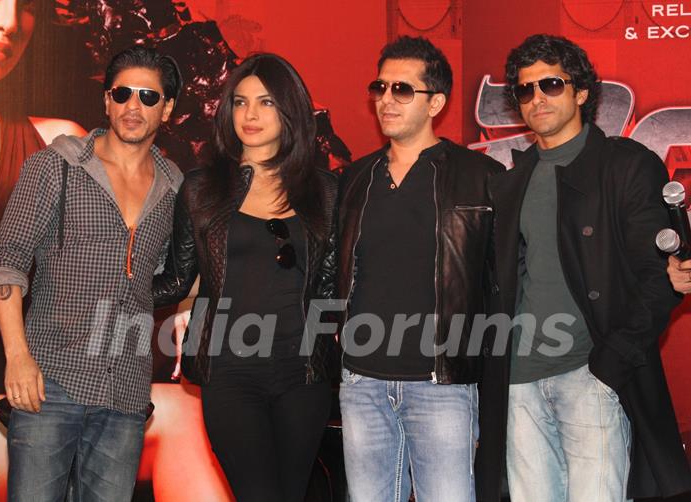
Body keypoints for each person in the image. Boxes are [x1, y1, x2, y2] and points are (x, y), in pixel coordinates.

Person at [479, 34, 691, 501]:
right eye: (525, 89)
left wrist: (610, 362)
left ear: (580, 92)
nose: (537, 98)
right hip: (519, 382)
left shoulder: (625, 166)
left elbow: (660, 279)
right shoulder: (510, 183)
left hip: (588, 375)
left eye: (551, 84)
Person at [0, 45, 183, 501]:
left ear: (167, 109)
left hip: (127, 393)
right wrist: (17, 357)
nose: (134, 106)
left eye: (149, 97)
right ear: (107, 101)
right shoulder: (56, 167)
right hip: (50, 381)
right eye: (123, 93)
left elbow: (172, 276)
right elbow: (6, 261)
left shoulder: (175, 187)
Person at [152, 53, 338, 502]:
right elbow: (177, 279)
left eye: (266, 102)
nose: (250, 114)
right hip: (230, 375)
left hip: (303, 375)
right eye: (240, 102)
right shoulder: (201, 188)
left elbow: (333, 287)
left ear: (290, 109)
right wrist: (108, 283)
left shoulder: (325, 190)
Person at [336, 36, 503, 501]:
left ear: (437, 103)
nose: (386, 99)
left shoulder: (480, 178)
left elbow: (501, 280)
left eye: (402, 90)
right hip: (361, 381)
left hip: (442, 384)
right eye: (380, 87)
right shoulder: (355, 178)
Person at [0, 1, 86, 499]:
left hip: (11, 405)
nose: (11, 22)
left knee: (181, 415)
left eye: (28, 5)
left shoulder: (58, 144)